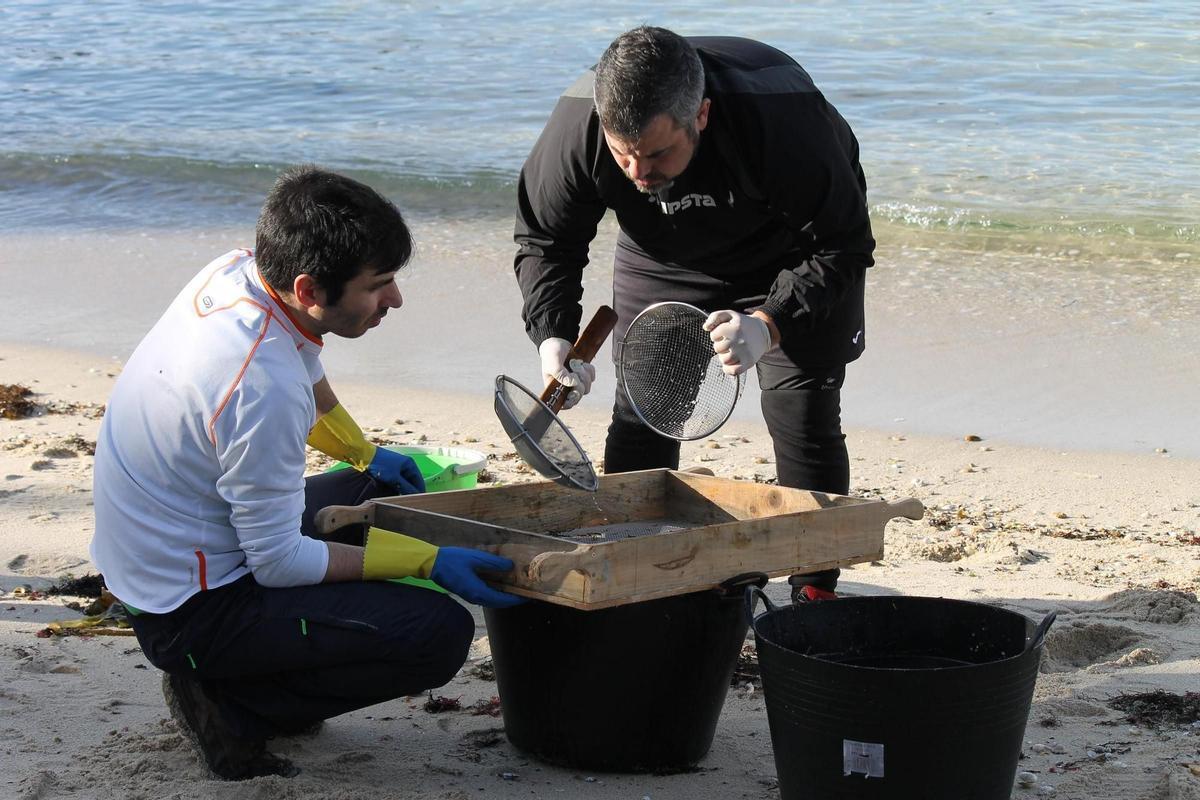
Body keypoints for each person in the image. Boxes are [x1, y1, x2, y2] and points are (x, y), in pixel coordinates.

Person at [91, 165, 523, 781]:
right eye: (379, 285)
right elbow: (279, 563)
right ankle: (231, 705)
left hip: (173, 545)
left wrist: (364, 453)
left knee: (378, 492)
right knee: (438, 634)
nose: (395, 300)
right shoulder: (260, 388)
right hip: (188, 610)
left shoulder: (240, 272)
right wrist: (425, 561)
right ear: (310, 288)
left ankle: (257, 673)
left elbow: (303, 358)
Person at [514, 27, 875, 601]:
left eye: (657, 153)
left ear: (701, 115)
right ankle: (639, 576)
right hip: (664, 255)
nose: (638, 172)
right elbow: (546, 239)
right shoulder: (579, 124)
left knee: (802, 413)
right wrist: (552, 333)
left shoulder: (783, 121)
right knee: (643, 415)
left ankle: (815, 593)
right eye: (623, 153)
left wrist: (770, 322)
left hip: (794, 249)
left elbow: (843, 245)